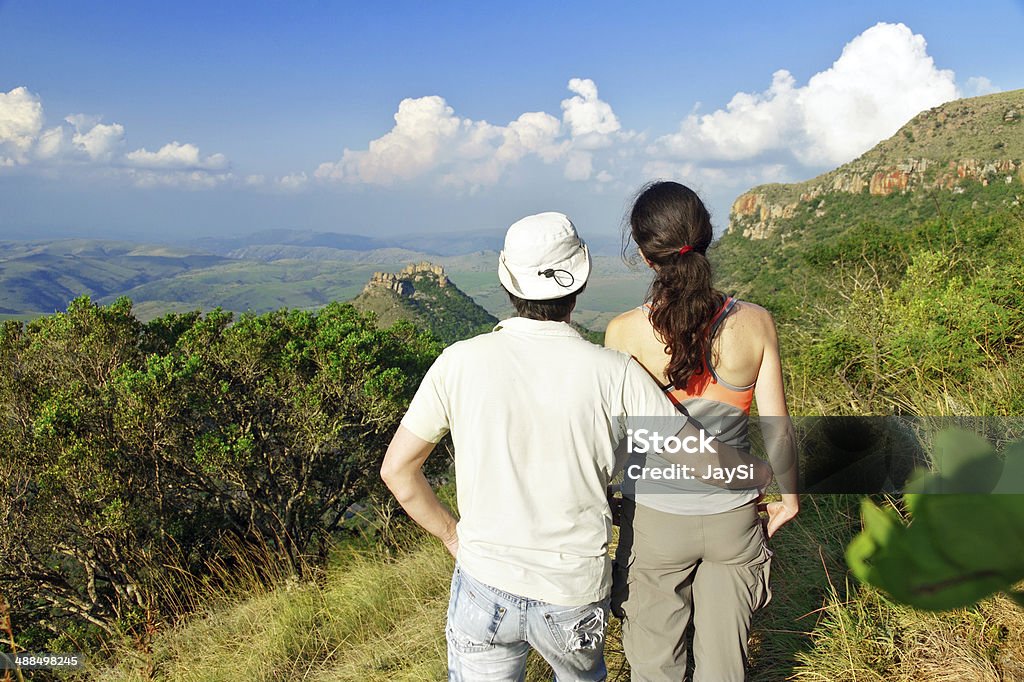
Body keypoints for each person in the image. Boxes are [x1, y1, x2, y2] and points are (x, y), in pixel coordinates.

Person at [380, 211, 772, 682]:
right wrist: (765, 475)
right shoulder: (616, 371)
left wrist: (452, 537)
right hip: (572, 592)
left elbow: (398, 472)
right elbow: (702, 460)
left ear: (507, 280)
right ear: (580, 281)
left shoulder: (456, 362)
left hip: (483, 583)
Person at [606, 181, 799, 682]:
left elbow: (618, 440)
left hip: (654, 522)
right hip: (734, 516)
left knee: (654, 666)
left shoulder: (623, 333)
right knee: (726, 667)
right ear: (707, 238)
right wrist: (791, 496)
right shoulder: (755, 323)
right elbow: (777, 427)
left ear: (646, 256)